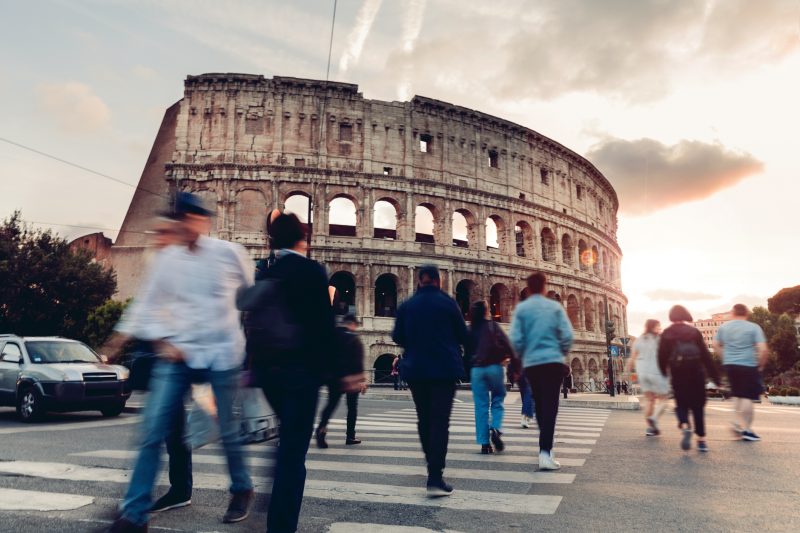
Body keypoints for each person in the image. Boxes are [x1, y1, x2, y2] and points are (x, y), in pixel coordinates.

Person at [104, 193, 255, 533]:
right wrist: (116, 341)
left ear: (203, 221)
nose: (185, 225)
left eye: (191, 218)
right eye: (180, 219)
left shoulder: (231, 254)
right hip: (180, 354)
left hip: (221, 353)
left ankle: (241, 487)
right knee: (152, 430)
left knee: (228, 430)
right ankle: (134, 514)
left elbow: (249, 294)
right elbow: (146, 302)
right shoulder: (168, 259)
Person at [238, 212, 364, 533]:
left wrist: (249, 368)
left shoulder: (265, 270)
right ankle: (280, 526)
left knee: (285, 445)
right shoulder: (311, 271)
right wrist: (341, 374)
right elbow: (323, 326)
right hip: (301, 374)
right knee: (293, 454)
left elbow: (250, 321)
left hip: (268, 373)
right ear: (302, 238)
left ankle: (271, 510)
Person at [392, 264, 467, 497]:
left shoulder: (407, 305)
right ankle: (435, 475)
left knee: (424, 419)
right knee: (440, 421)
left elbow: (397, 336)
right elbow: (463, 335)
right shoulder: (448, 303)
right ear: (438, 281)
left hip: (416, 369)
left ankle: (430, 466)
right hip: (444, 369)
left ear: (419, 280)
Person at [510, 272, 574, 471]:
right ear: (545, 287)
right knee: (551, 407)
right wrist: (560, 352)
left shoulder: (522, 309)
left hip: (533, 364)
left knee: (539, 404)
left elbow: (516, 339)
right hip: (553, 362)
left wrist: (521, 358)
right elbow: (567, 335)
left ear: (528, 289)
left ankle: (544, 450)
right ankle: (545, 452)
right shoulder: (554, 307)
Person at [657, 305, 720, 453]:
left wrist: (664, 373)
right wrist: (715, 376)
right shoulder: (694, 332)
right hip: (696, 372)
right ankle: (701, 440)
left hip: (678, 373)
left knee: (681, 403)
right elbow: (705, 355)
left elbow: (661, 357)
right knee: (698, 406)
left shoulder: (666, 333)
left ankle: (685, 425)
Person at [466, 301, 520, 454]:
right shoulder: (493, 326)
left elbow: (465, 353)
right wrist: (515, 368)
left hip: (477, 370)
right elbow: (509, 346)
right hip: (495, 367)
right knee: (497, 400)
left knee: (481, 406)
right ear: (486, 312)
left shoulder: (469, 329)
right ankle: (495, 427)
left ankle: (484, 444)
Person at [713, 304, 769, 442]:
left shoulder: (724, 327)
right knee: (747, 397)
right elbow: (763, 349)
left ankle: (736, 422)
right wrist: (760, 365)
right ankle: (747, 430)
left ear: (733, 313)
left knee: (737, 394)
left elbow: (715, 345)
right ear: (746, 313)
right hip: (748, 365)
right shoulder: (753, 327)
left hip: (730, 365)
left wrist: (725, 358)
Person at [315, 314, 367, 447]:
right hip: (351, 378)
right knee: (352, 408)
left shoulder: (332, 336)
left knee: (331, 405)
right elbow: (358, 361)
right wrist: (361, 380)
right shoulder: (354, 339)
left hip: (334, 378)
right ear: (353, 324)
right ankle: (350, 436)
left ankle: (322, 428)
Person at [627, 319, 669, 436]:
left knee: (649, 400)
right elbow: (667, 356)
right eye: (658, 326)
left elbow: (631, 359)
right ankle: (654, 418)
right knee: (664, 399)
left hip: (642, 373)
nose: (660, 328)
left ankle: (650, 428)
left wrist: (631, 373)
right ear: (653, 327)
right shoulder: (659, 339)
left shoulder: (639, 339)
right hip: (656, 372)